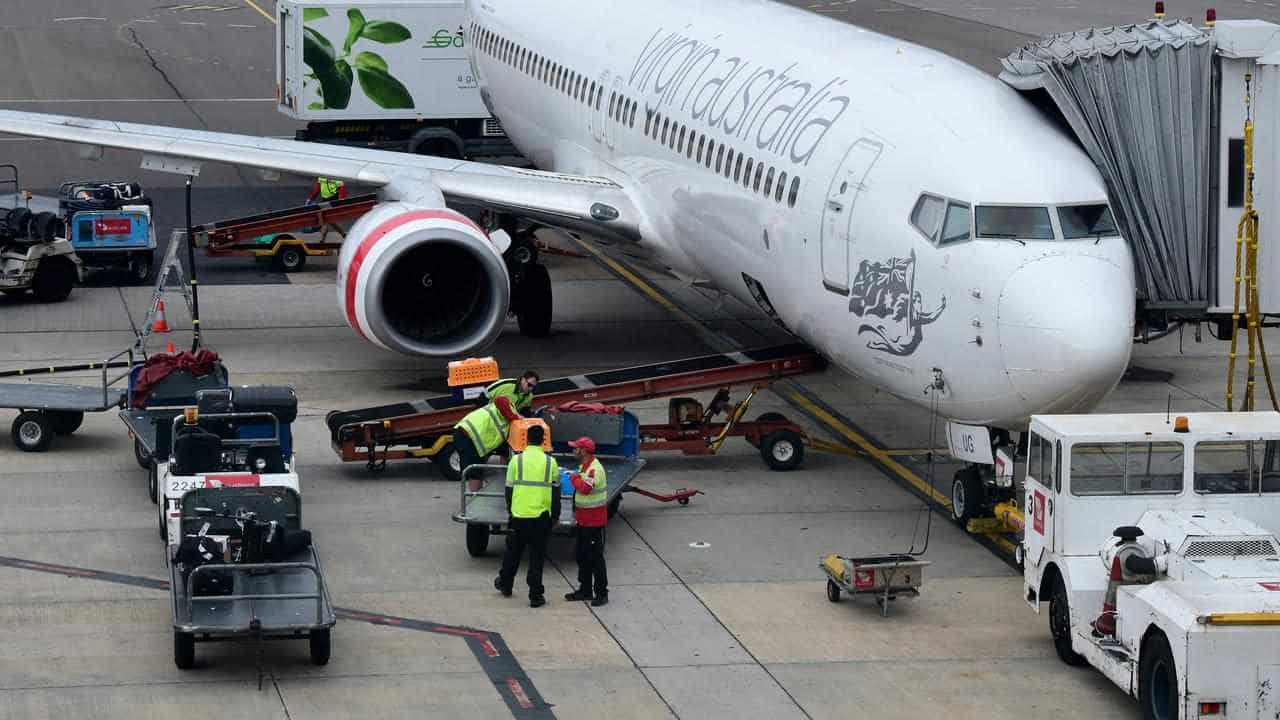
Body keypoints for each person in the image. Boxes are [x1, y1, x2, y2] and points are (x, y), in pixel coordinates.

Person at [495, 425, 560, 607]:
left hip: (519, 516)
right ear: (544, 441)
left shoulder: (516, 461)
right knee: (537, 557)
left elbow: (508, 490)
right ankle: (535, 596)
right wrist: (555, 515)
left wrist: (511, 510)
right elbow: (555, 492)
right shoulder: (551, 463)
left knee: (512, 553)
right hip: (541, 517)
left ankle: (506, 584)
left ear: (526, 439)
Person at [563, 436, 609, 606]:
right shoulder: (584, 467)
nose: (573, 451)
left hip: (593, 522)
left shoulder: (593, 470)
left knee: (595, 557)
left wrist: (573, 478)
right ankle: (585, 590)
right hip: (584, 521)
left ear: (584, 451)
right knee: (582, 556)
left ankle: (601, 593)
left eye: (576, 448)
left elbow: (585, 489)